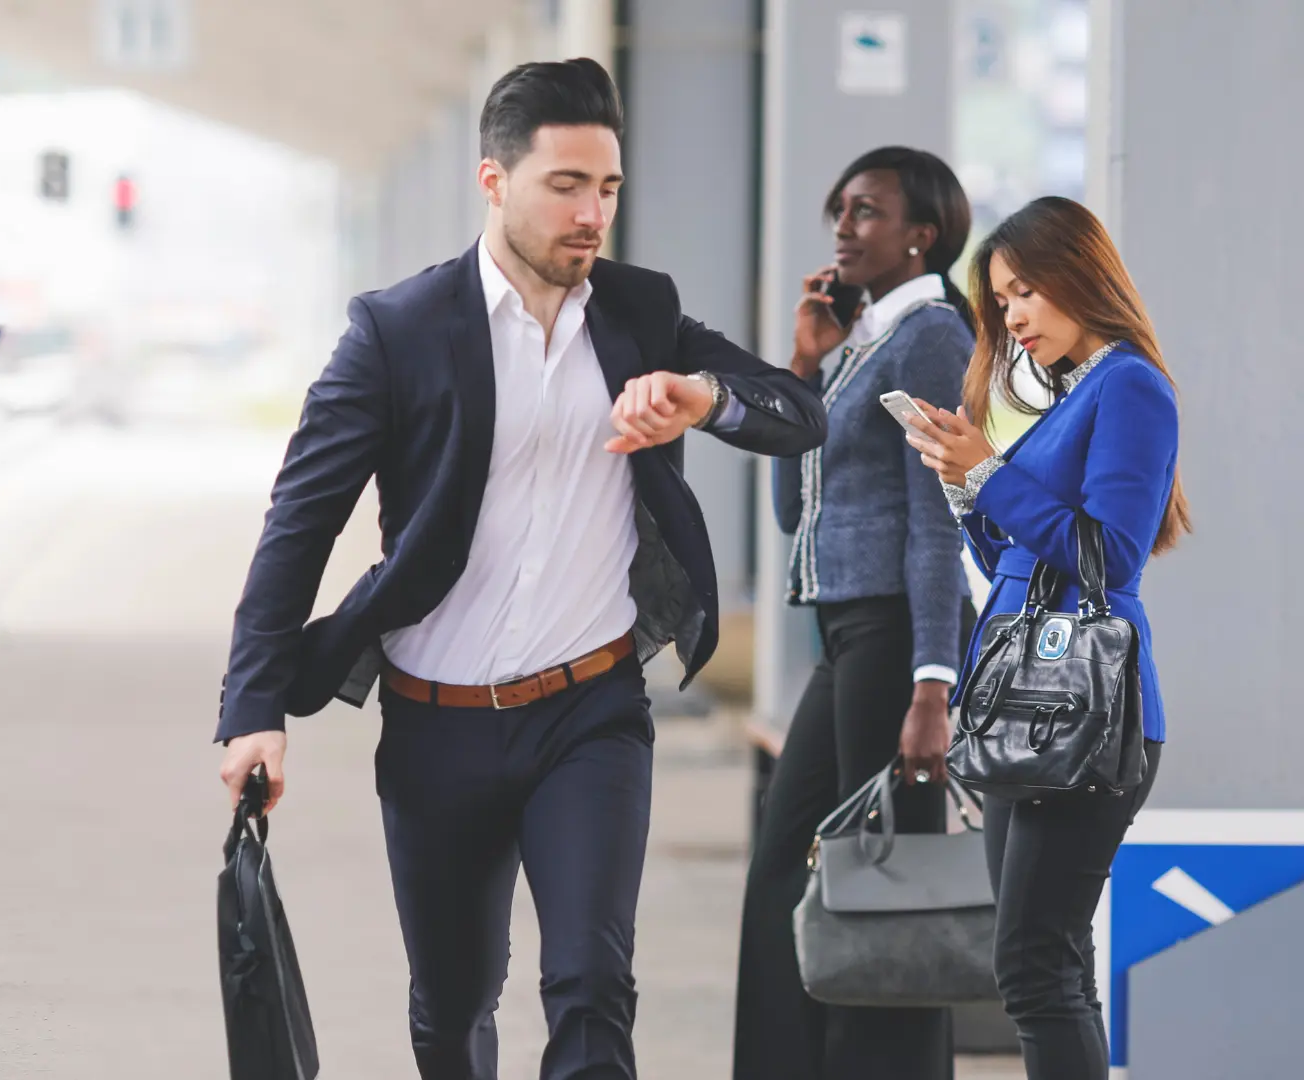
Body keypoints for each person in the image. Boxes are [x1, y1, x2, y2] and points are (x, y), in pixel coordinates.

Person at [216, 58, 827, 1080]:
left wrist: (701, 397)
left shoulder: (640, 313)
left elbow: (798, 413)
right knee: (453, 1009)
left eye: (610, 188)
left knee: (591, 984)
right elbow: (300, 524)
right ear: (493, 180)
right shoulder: (397, 332)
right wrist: (252, 707)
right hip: (436, 722)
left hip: (589, 713)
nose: (593, 214)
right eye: (567, 186)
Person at [905, 195, 1188, 1080]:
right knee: (1047, 962)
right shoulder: (1080, 392)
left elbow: (1105, 557)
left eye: (1025, 291)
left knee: (1031, 966)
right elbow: (1025, 558)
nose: (1014, 317)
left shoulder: (1130, 383)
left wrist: (989, 474)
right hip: (1035, 708)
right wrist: (964, 485)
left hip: (1086, 713)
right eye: (1001, 302)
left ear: (1081, 274)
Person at [733, 147, 975, 1080]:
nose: (843, 224)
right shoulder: (865, 344)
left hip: (889, 640)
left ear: (923, 234)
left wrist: (933, 682)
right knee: (790, 875)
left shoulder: (935, 339)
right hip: (842, 637)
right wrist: (802, 363)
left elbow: (936, 525)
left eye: (867, 211)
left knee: (884, 885)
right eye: (840, 208)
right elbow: (797, 514)